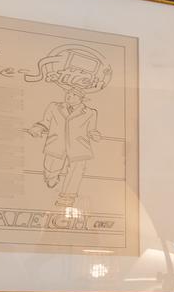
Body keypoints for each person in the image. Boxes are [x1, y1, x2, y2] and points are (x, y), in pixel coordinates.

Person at [23, 44, 111, 212]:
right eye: (68, 94)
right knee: (51, 168)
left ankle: (66, 198)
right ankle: (51, 176)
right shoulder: (54, 107)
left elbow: (92, 129)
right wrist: (38, 128)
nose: (69, 97)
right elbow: (45, 122)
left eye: (73, 95)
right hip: (56, 144)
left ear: (81, 98)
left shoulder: (90, 113)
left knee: (76, 172)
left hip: (79, 147)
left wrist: (95, 135)